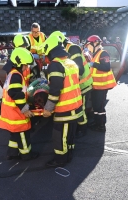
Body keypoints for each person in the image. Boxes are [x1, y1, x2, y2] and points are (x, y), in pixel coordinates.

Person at [41, 35, 84, 167]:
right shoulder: (70, 62)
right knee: (70, 132)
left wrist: (48, 108)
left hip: (64, 108)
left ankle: (60, 159)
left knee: (59, 135)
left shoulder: (55, 65)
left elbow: (55, 90)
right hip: (76, 105)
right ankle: (69, 153)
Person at [0, 47, 39, 160]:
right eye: (25, 65)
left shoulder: (12, 73)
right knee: (22, 133)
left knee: (14, 134)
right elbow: (16, 94)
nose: (26, 67)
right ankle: (26, 154)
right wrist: (25, 109)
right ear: (19, 63)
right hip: (15, 111)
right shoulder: (16, 75)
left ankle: (12, 152)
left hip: (10, 111)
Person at [50, 31, 93, 137]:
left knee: (80, 109)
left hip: (83, 84)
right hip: (77, 85)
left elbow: (80, 70)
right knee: (78, 108)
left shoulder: (73, 48)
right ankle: (78, 127)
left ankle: (82, 129)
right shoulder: (66, 49)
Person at [85, 35, 117, 132]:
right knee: (95, 105)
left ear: (96, 43)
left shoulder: (103, 53)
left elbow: (106, 67)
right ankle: (96, 122)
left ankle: (101, 125)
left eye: (89, 44)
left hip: (102, 86)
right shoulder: (94, 53)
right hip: (96, 86)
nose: (88, 47)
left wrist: (93, 64)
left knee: (100, 107)